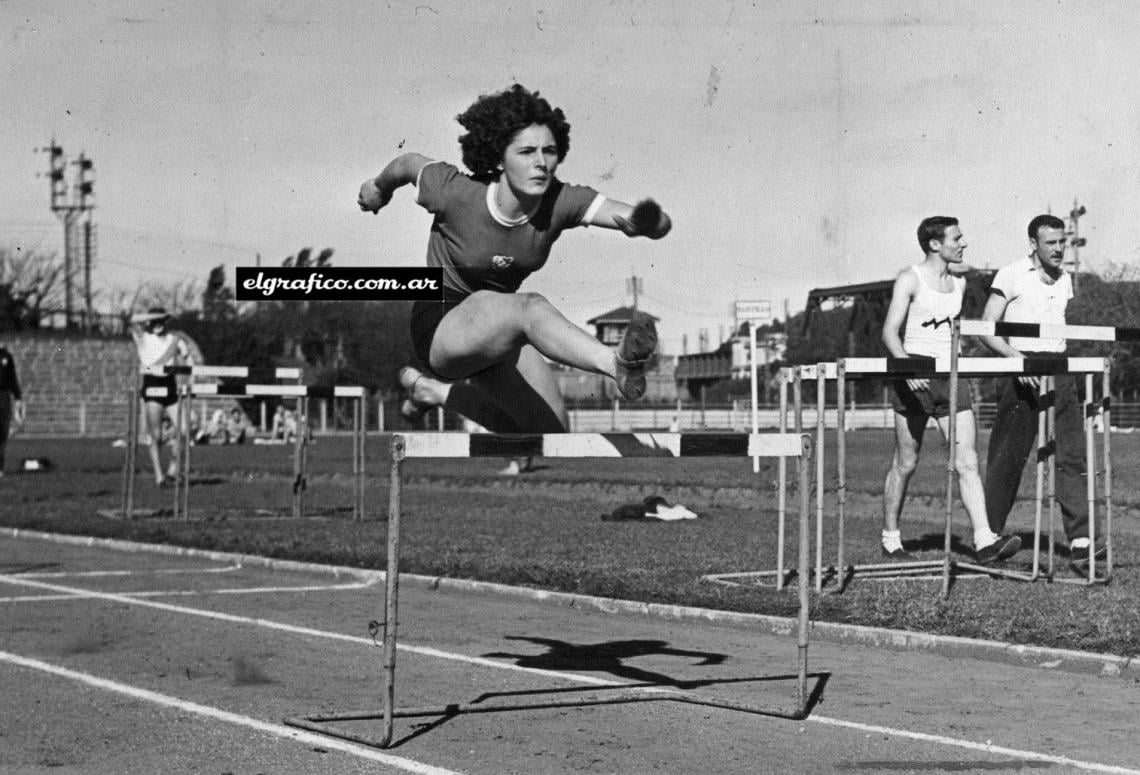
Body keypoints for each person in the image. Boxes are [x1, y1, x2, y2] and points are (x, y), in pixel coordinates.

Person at [358, 84, 671, 433]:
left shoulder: (560, 201)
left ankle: (433, 393)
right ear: (500, 156)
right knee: (530, 307)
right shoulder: (457, 192)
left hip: (500, 329)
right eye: (526, 152)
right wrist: (378, 188)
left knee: (549, 432)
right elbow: (406, 164)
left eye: (549, 152)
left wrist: (649, 223)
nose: (541, 163)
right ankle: (618, 365)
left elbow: (641, 219)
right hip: (442, 325)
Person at [880, 216, 1021, 564]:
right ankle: (891, 539)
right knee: (907, 461)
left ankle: (984, 541)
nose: (963, 243)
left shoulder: (959, 284)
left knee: (968, 461)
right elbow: (889, 332)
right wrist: (907, 366)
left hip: (952, 379)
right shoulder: (909, 279)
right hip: (913, 378)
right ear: (934, 244)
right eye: (956, 238)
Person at [980, 214, 1103, 575]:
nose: (1059, 249)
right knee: (1008, 456)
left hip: (1059, 368)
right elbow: (987, 328)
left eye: (1062, 241)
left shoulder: (1065, 280)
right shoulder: (1011, 274)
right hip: (1021, 370)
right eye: (1051, 242)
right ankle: (987, 536)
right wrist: (1016, 360)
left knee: (1071, 453)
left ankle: (1081, 542)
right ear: (1033, 244)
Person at [130, 307, 192, 486]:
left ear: (166, 322)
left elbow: (188, 359)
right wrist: (155, 316)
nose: (158, 324)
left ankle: (173, 469)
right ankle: (159, 475)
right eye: (154, 321)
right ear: (149, 322)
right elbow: (132, 319)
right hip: (152, 385)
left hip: (170, 385)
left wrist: (190, 378)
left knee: (185, 432)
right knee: (156, 436)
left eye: (161, 321)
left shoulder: (175, 340)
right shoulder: (143, 338)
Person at [0, 342, 25, 477]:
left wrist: (18, 396)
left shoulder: (7, 357)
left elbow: (12, 378)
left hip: (4, 397)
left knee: (3, 433)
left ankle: (0, 467)